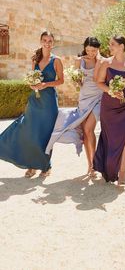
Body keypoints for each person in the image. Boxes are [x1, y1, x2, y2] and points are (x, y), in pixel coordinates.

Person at [0, 31, 64, 177]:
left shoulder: (57, 61)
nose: (47, 43)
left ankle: (45, 167)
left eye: (50, 41)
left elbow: (61, 80)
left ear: (53, 43)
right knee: (30, 132)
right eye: (44, 40)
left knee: (45, 134)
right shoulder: (35, 59)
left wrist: (45, 84)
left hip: (48, 103)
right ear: (40, 41)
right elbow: (31, 79)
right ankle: (31, 165)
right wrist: (33, 85)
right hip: (34, 100)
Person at [45, 37, 103, 176]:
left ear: (98, 49)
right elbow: (77, 83)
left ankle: (94, 164)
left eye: (94, 50)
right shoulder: (79, 61)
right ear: (85, 48)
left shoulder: (102, 61)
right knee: (85, 131)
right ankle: (90, 165)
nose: (91, 53)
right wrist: (77, 80)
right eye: (88, 50)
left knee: (89, 129)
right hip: (84, 99)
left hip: (98, 98)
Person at [93, 35, 125, 186]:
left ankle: (123, 173)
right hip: (109, 107)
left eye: (112, 44)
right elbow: (99, 82)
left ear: (122, 46)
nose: (110, 47)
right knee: (109, 138)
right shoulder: (106, 63)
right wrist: (111, 91)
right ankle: (108, 168)